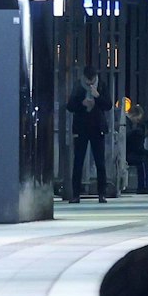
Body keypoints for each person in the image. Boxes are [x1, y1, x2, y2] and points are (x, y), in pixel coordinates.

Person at [63, 66, 114, 203]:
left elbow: (108, 105)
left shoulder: (101, 86)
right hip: (81, 129)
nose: (90, 83)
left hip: (97, 128)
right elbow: (70, 106)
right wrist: (82, 103)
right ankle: (76, 194)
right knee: (78, 162)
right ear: (84, 77)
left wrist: (97, 97)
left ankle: (101, 194)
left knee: (100, 162)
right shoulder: (78, 86)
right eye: (87, 80)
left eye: (92, 80)